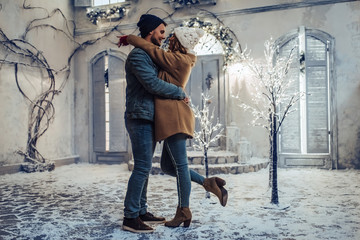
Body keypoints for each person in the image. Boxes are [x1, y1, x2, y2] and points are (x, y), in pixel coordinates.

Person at [121, 27, 228, 228]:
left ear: (178, 41)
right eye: (164, 33)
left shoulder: (176, 58)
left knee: (179, 166)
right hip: (169, 116)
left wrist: (130, 38)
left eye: (170, 36)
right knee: (168, 167)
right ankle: (209, 183)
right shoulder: (174, 58)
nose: (166, 38)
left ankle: (183, 211)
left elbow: (151, 51)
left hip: (174, 116)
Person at [118, 14, 189, 234]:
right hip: (139, 116)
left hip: (147, 116)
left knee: (144, 167)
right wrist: (179, 92)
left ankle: (141, 210)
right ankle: (130, 217)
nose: (163, 37)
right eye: (160, 32)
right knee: (141, 167)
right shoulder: (139, 56)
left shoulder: (149, 54)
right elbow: (151, 84)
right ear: (150, 32)